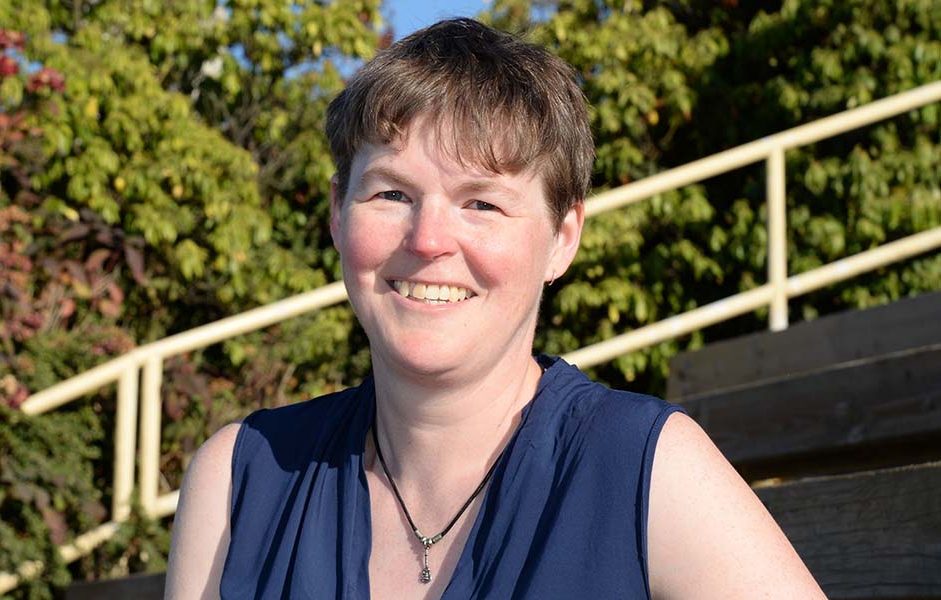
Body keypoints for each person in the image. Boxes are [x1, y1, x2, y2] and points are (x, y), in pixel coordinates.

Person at [165, 18, 826, 600]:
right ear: (338, 214)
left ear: (562, 239)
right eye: (392, 194)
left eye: (481, 202)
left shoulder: (649, 472)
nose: (428, 240)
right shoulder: (237, 481)